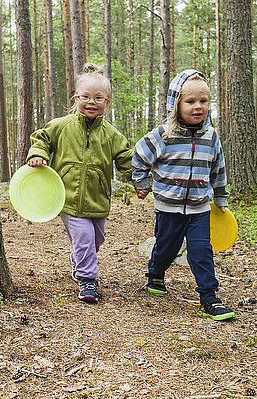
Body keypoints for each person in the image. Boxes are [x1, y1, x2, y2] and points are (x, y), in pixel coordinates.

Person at [132, 69, 235, 321]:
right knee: (167, 247)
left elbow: (217, 169)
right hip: (168, 207)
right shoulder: (163, 135)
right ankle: (156, 272)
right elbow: (139, 155)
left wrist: (220, 198)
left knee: (201, 250)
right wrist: (141, 181)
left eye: (203, 101)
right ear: (176, 103)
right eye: (190, 101)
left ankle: (209, 297)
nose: (197, 107)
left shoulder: (211, 137)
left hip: (200, 207)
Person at [26, 63, 133, 303]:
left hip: (98, 198)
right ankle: (88, 280)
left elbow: (125, 158)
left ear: (107, 102)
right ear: (76, 98)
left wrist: (138, 180)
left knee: (97, 239)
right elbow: (42, 137)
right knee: (84, 238)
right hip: (68, 198)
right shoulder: (62, 125)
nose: (91, 102)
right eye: (85, 97)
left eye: (98, 98)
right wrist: (38, 154)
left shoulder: (112, 134)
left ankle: (79, 259)